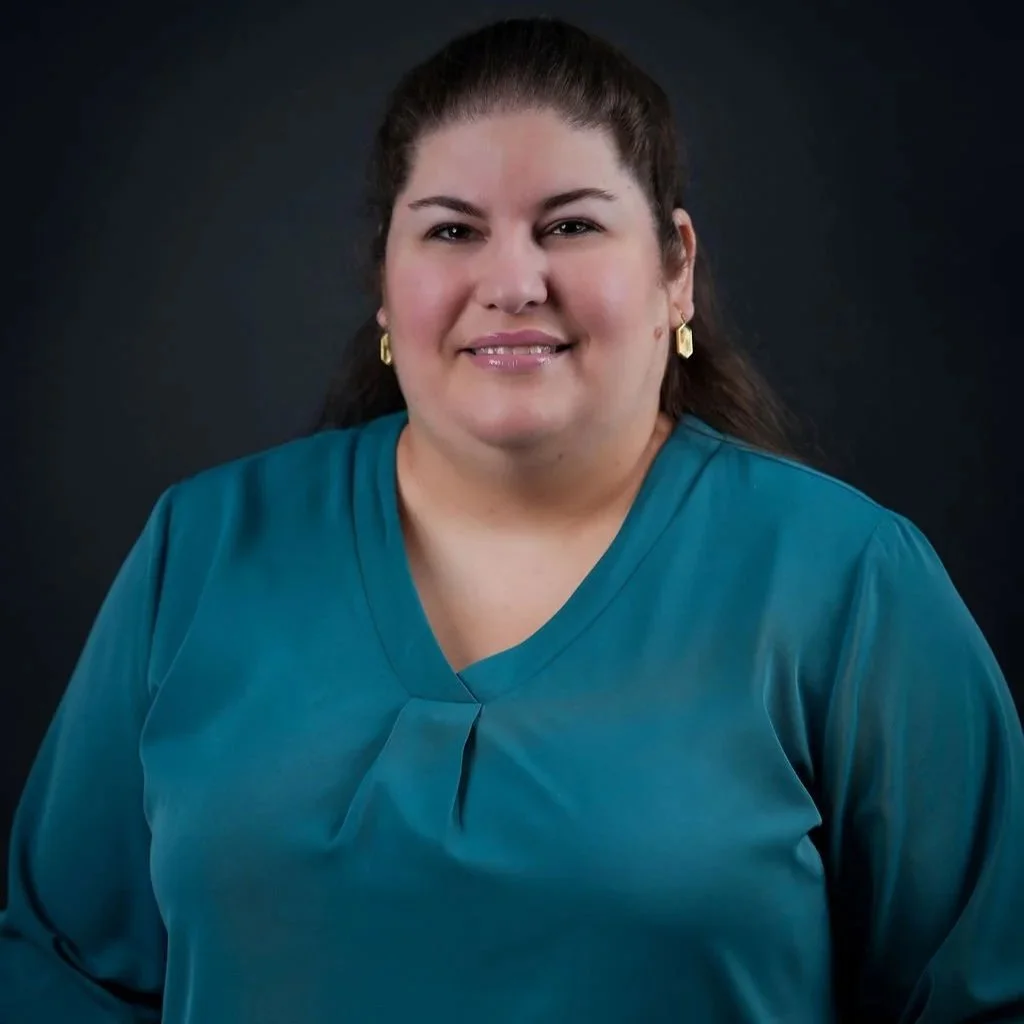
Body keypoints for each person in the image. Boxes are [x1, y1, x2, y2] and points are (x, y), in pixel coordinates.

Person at [1, 15, 1021, 1023]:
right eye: (452, 230)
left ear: (675, 268)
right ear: (386, 290)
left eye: (570, 225)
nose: (512, 282)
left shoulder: (848, 583)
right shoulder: (204, 545)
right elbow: (58, 970)